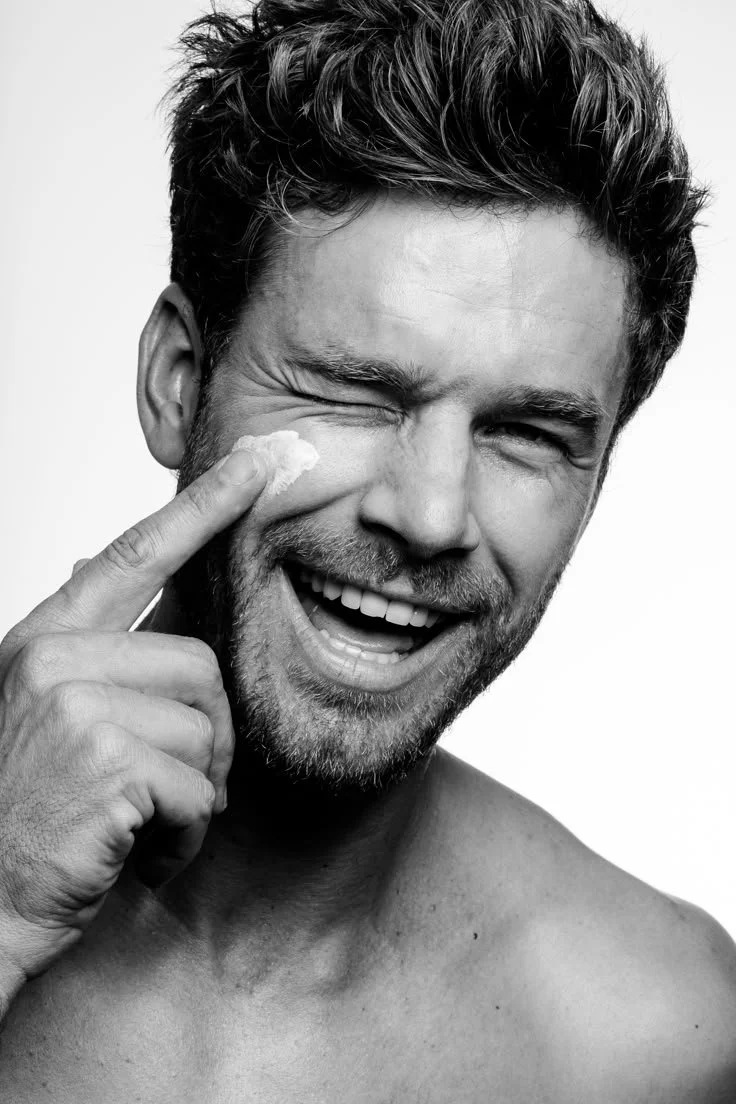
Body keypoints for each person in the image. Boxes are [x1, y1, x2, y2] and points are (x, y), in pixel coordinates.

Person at [1, 0, 735, 1098]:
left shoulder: (657, 1036)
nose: (431, 516)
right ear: (177, 382)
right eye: (352, 393)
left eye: (526, 434)